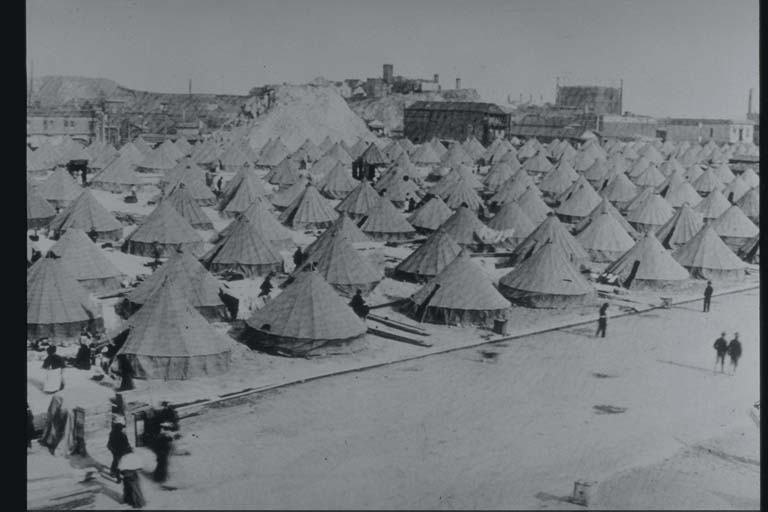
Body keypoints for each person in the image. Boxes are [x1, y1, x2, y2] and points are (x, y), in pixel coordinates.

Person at [107, 417, 132, 482]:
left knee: (116, 461)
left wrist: (111, 449)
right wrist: (129, 449)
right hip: (120, 451)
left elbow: (110, 442)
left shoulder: (112, 433)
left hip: (115, 450)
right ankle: (118, 476)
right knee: (119, 463)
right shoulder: (122, 434)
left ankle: (113, 471)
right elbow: (126, 443)